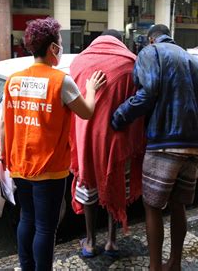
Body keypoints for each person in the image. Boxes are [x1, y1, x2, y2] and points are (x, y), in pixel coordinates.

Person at [111, 24, 198, 271]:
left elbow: (147, 92)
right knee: (178, 206)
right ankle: (174, 264)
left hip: (163, 144)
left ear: (151, 39)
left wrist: (119, 116)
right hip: (193, 148)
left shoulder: (151, 53)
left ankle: (154, 267)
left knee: (152, 207)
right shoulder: (195, 63)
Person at [0, 17, 106, 271]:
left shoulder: (13, 80)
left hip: (20, 164)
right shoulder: (60, 81)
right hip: (50, 168)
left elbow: (3, 125)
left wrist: (3, 156)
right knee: (46, 226)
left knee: (27, 218)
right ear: (53, 48)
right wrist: (91, 88)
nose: (61, 48)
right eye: (59, 43)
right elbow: (87, 112)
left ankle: (27, 268)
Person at [70, 29, 145, 258]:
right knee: (117, 186)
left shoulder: (78, 63)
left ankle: (91, 242)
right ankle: (112, 241)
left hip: (86, 140)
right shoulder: (131, 64)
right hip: (118, 141)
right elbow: (140, 105)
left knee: (88, 188)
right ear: (120, 43)